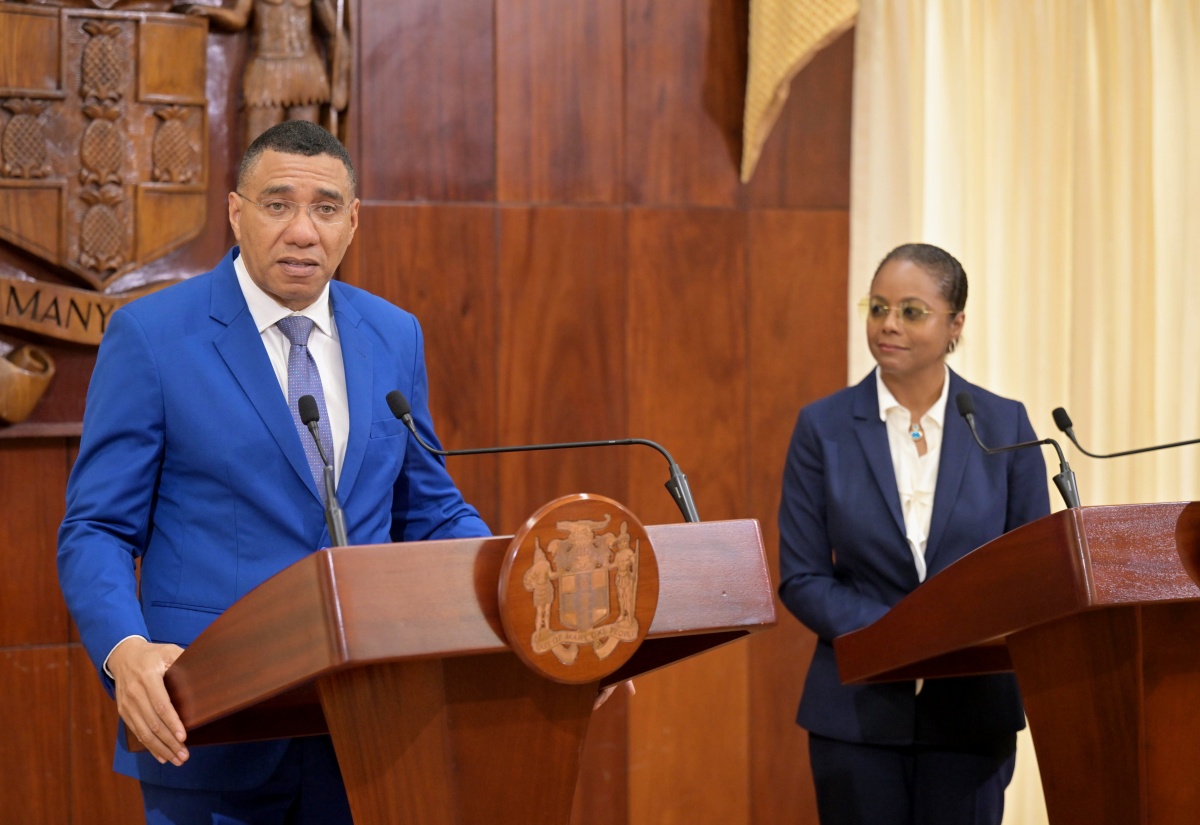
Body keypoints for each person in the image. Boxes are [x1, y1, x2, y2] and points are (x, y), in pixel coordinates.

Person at [57, 120, 489, 824]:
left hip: (369, 726)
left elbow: (432, 510)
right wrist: (124, 650)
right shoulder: (153, 336)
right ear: (235, 211)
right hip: (212, 723)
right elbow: (96, 527)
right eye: (277, 203)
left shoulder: (393, 333)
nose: (302, 231)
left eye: (324, 208)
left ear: (352, 221)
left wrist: (512, 588)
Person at [778, 243, 1050, 825]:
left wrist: (956, 633)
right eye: (877, 308)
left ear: (955, 325)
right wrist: (901, 637)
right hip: (855, 715)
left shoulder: (1004, 425)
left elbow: (1033, 573)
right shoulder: (822, 427)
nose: (888, 326)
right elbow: (801, 576)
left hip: (973, 716)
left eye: (910, 311)